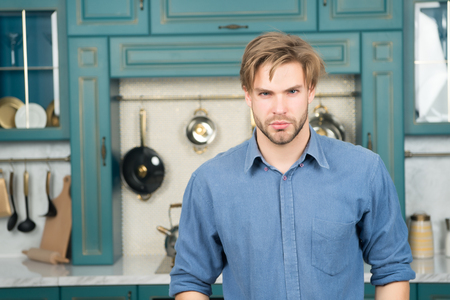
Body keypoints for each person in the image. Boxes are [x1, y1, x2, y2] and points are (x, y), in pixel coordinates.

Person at [169, 32, 415, 299]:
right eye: (265, 93)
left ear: (310, 91)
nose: (279, 108)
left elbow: (392, 269)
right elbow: (190, 280)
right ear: (248, 95)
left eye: (292, 91)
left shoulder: (365, 170)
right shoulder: (210, 182)